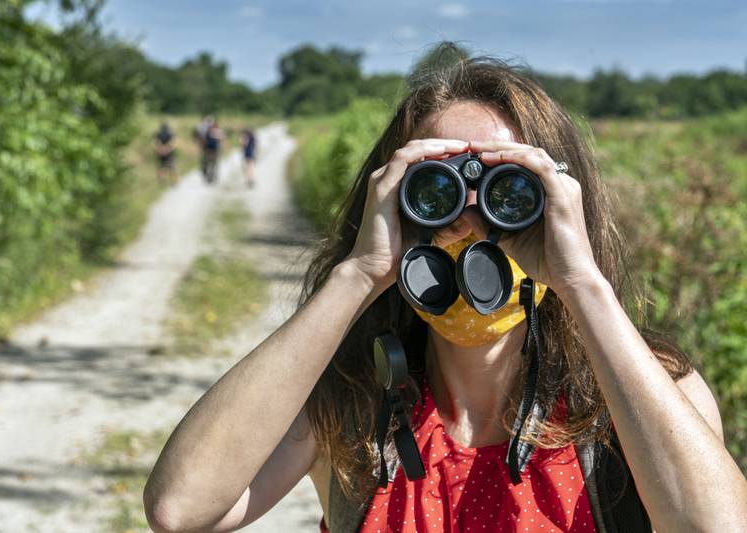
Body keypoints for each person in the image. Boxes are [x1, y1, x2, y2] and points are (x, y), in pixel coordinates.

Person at [143, 51, 747, 532]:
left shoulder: (643, 400)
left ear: (564, 202)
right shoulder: (351, 407)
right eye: (436, 192)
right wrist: (358, 273)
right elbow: (181, 509)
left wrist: (581, 282)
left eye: (513, 193)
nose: (472, 222)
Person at [153, 121, 177, 185]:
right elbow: (173, 143)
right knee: (172, 167)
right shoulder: (171, 134)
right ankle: (173, 181)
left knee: (162, 166)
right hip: (169, 153)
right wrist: (167, 149)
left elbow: (157, 143)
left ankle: (162, 181)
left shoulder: (158, 134)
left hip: (161, 153)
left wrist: (160, 150)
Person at [202, 119, 224, 184]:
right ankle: (209, 177)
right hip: (208, 150)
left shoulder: (218, 131)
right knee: (208, 164)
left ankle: (213, 177)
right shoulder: (208, 132)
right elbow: (204, 140)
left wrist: (217, 135)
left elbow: (222, 138)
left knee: (214, 164)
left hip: (215, 150)